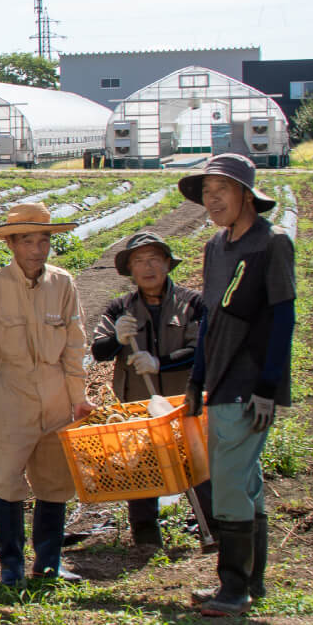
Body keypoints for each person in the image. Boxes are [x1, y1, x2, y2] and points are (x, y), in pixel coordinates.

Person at [0, 202, 97, 586]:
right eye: (27, 240)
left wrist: (78, 396)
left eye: (44, 240)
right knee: (6, 479)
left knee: (56, 480)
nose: (37, 249)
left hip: (56, 395)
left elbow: (75, 344)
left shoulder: (62, 284)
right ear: (12, 243)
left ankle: (49, 562)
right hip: (12, 391)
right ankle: (11, 564)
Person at [180, 154, 296, 616]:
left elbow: (282, 318)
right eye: (207, 194)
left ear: (246, 195)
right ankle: (252, 580)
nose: (212, 201)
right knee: (246, 481)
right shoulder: (216, 246)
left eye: (220, 192)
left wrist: (268, 384)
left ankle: (233, 588)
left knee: (228, 481)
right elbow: (210, 316)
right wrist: (197, 377)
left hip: (249, 380)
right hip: (221, 377)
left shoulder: (272, 245)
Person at [89, 231, 207, 546]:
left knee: (196, 460)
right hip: (137, 403)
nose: (148, 267)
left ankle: (208, 524)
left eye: (154, 258)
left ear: (168, 264)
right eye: (139, 261)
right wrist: (117, 338)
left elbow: (202, 348)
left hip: (183, 400)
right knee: (141, 465)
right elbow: (98, 351)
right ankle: (145, 531)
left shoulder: (192, 303)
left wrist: (160, 362)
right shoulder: (120, 308)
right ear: (130, 270)